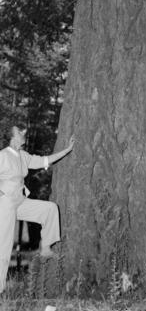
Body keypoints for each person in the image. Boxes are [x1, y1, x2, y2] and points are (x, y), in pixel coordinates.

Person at [0, 124, 74, 293]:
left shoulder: (23, 155)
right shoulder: (3, 156)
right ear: (12, 137)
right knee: (3, 248)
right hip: (5, 204)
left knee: (49, 209)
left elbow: (45, 160)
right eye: (20, 131)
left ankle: (46, 247)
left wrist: (68, 149)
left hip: (20, 200)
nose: (24, 132)